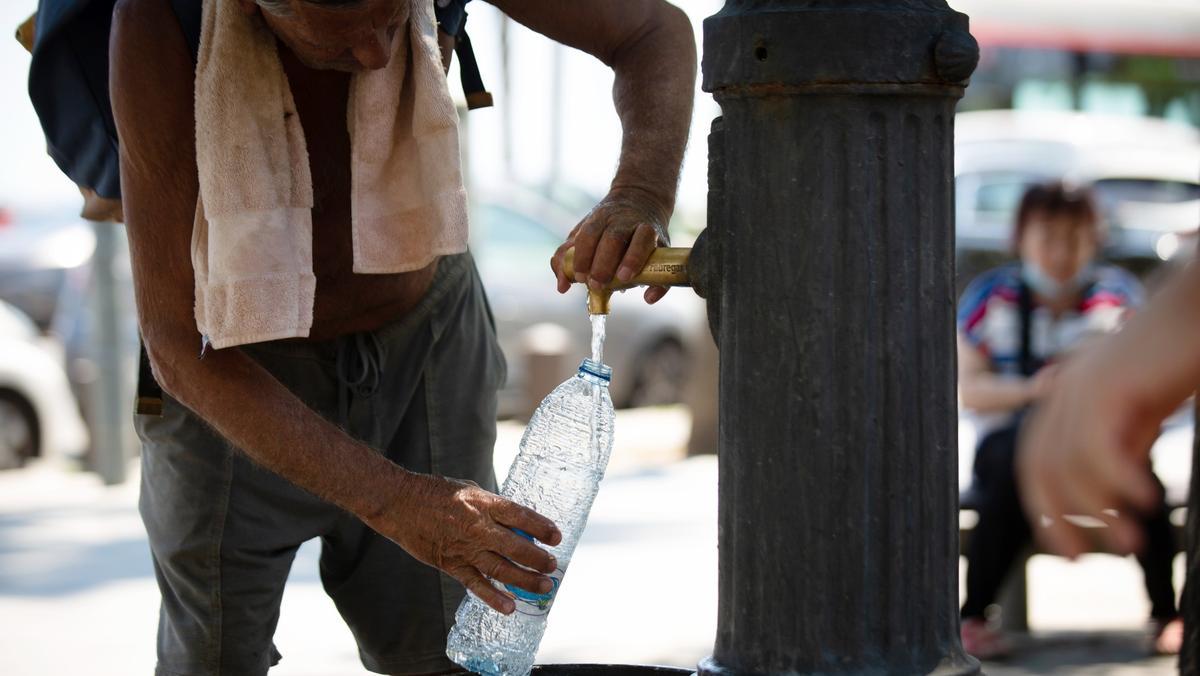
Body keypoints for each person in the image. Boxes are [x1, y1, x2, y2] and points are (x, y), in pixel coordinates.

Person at [105, 0, 696, 674]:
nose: (380, 57)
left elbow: (656, 32)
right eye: (342, 39)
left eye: (394, 22)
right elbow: (176, 348)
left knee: (451, 653)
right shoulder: (157, 20)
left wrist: (641, 191)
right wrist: (394, 500)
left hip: (424, 337)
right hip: (232, 366)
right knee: (209, 660)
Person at [957, 181, 1182, 658]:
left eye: (1074, 236)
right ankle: (973, 616)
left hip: (1104, 449)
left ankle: (1168, 612)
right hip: (1007, 452)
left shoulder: (1118, 297)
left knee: (1145, 488)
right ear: (1021, 237)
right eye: (1048, 236)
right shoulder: (989, 298)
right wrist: (1036, 392)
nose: (1061, 251)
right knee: (1015, 462)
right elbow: (967, 387)